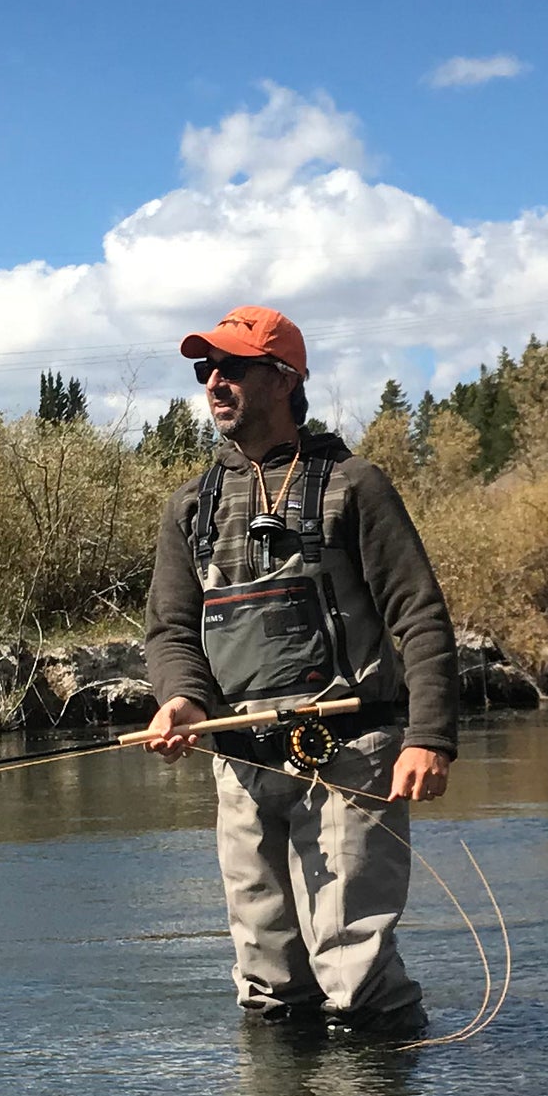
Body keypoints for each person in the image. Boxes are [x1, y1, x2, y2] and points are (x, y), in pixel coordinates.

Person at [141, 305, 458, 1038]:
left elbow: (420, 614)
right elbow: (169, 631)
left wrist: (430, 737)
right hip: (241, 762)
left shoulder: (356, 485)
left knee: (356, 971)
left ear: (283, 379)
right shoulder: (189, 507)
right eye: (204, 369)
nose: (213, 381)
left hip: (352, 753)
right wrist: (181, 699)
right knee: (268, 979)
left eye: (231, 367)